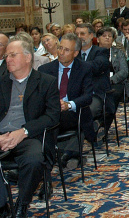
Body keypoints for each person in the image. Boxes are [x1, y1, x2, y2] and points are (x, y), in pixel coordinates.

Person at [0, 39, 60, 218]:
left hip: (27, 135)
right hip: (0, 135)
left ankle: (22, 202)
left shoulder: (46, 82)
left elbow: (52, 116)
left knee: (35, 160)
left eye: (13, 55)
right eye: (6, 56)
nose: (8, 59)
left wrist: (24, 131)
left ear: (28, 57)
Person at [39, 33, 95, 165]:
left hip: (73, 112)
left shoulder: (84, 68)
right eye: (60, 48)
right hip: (51, 110)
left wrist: (68, 105)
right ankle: (62, 154)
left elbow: (87, 96)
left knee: (53, 121)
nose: (61, 52)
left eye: (66, 50)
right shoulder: (45, 69)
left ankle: (52, 156)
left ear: (75, 53)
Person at [97, 27, 129, 110]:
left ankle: (107, 117)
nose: (107, 38)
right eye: (104, 36)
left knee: (112, 95)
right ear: (98, 39)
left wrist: (111, 80)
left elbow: (124, 71)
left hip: (115, 82)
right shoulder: (94, 53)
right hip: (98, 83)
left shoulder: (119, 52)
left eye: (109, 36)